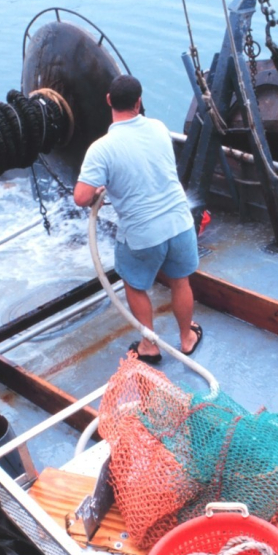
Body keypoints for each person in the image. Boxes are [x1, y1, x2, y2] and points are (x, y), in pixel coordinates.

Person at [73, 74, 203, 363]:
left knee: (135, 285)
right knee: (181, 282)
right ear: (139, 101)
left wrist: (99, 188)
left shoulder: (101, 149)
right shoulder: (158, 128)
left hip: (143, 235)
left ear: (108, 101)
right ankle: (187, 338)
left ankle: (149, 345)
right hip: (180, 223)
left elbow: (81, 197)